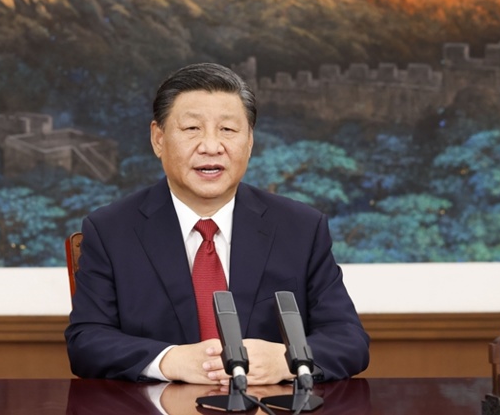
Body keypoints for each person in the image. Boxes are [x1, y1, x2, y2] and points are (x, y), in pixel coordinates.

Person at [65, 62, 369, 385]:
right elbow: (86, 341)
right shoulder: (111, 231)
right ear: (158, 138)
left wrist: (285, 361)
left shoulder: (301, 229)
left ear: (249, 141)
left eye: (227, 130)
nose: (211, 146)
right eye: (192, 129)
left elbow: (349, 340)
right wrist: (169, 360)